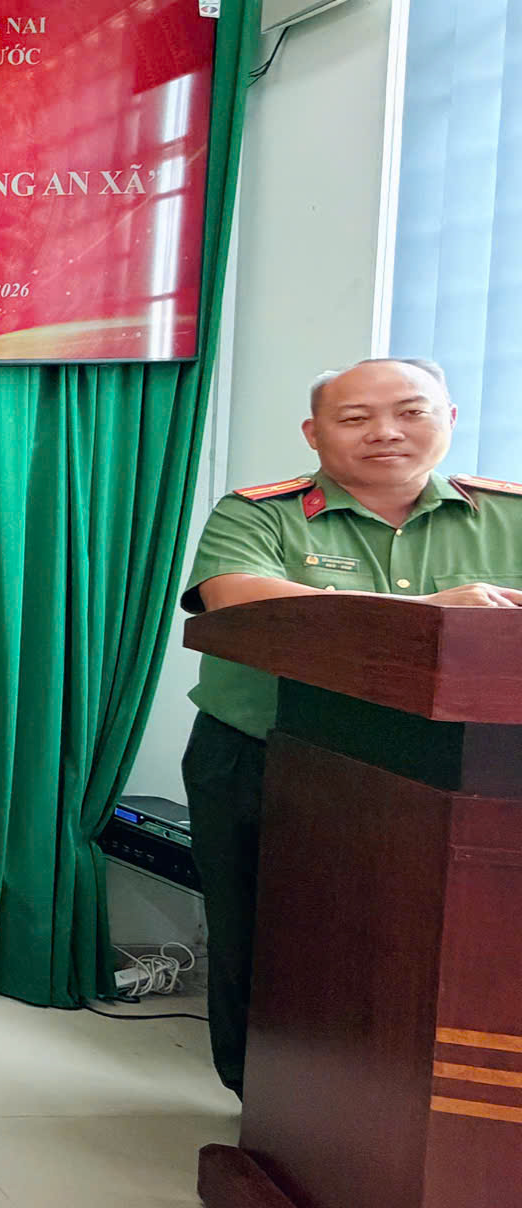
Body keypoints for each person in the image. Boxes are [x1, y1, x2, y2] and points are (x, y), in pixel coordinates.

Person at [180, 357, 522, 1096]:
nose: (385, 432)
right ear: (314, 433)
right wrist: (431, 612)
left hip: (468, 782)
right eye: (356, 418)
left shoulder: (511, 515)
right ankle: (263, 1106)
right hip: (266, 758)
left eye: (410, 412)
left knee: (434, 952)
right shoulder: (262, 513)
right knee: (262, 936)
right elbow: (236, 596)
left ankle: (417, 1111)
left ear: (450, 419)